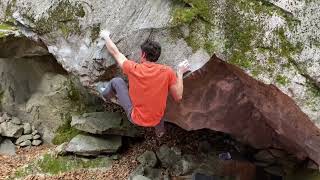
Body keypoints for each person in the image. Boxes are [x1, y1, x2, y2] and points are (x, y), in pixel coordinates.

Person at [96, 30, 190, 137]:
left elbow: (115, 53)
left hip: (136, 118)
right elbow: (178, 97)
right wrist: (180, 73)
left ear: (143, 54)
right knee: (159, 103)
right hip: (156, 119)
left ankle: (105, 95)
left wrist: (106, 36)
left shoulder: (133, 68)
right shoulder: (168, 72)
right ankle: (160, 131)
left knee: (117, 81)